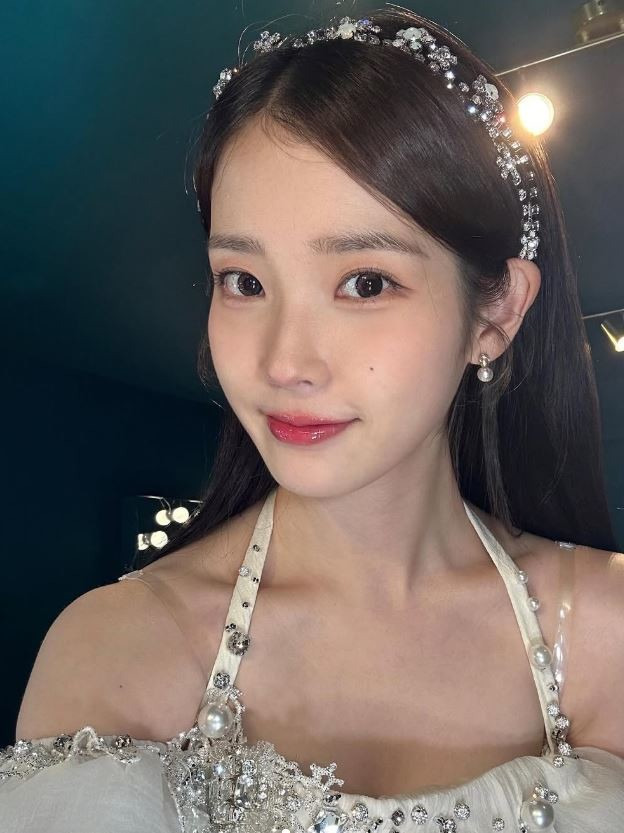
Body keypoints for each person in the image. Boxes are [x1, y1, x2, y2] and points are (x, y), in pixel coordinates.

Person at [2, 6, 623, 832]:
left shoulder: (608, 636)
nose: (284, 362)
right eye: (244, 281)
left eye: (365, 282)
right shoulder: (118, 652)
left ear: (497, 310)